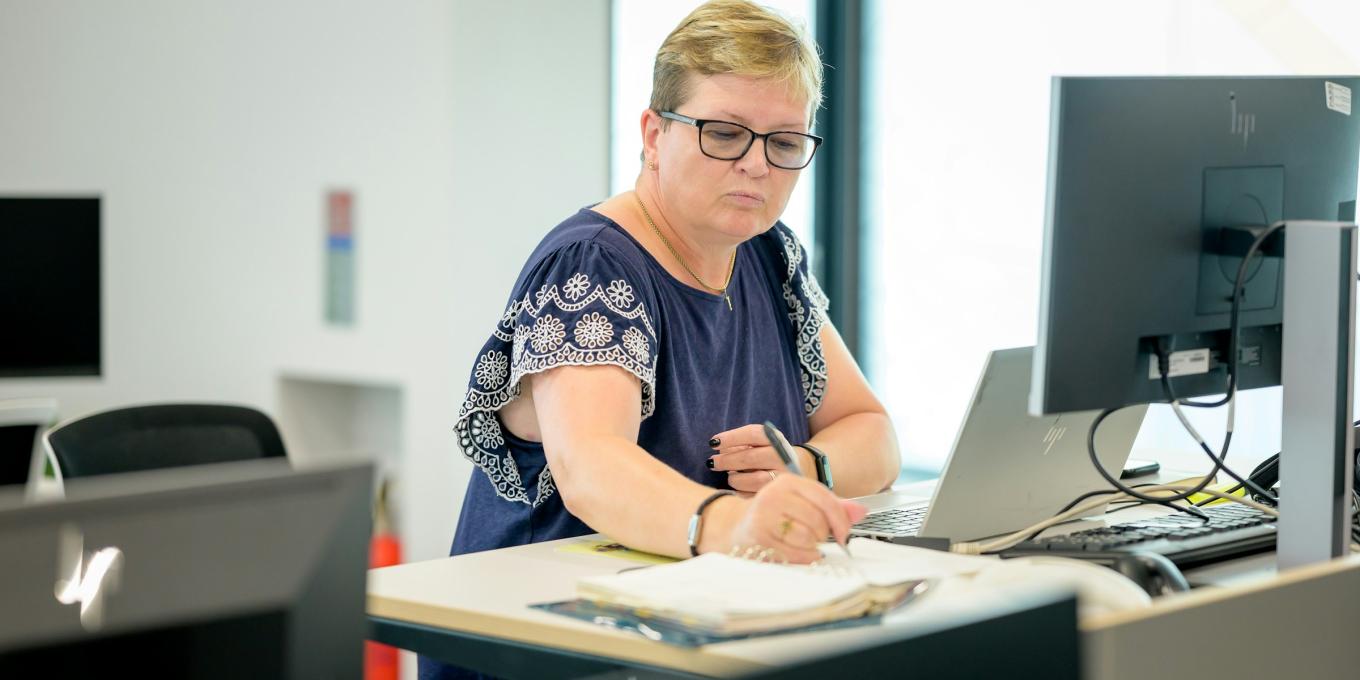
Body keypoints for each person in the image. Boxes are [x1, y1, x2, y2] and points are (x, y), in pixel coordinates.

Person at [423, 1, 900, 675]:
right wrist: (735, 527)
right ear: (653, 134)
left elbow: (871, 430)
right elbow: (592, 468)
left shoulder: (768, 256)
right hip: (549, 644)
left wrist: (806, 470)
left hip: (696, 627)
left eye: (784, 142)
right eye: (724, 133)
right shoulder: (593, 264)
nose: (758, 166)